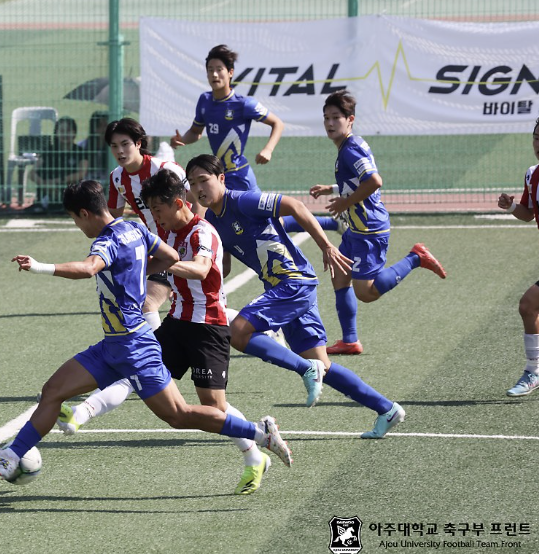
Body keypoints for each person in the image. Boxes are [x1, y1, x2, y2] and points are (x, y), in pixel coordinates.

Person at [0, 179, 293, 484]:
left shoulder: (108, 240)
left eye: (74, 220)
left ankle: (259, 432)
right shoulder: (135, 228)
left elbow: (88, 269)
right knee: (53, 390)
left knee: (179, 415)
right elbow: (169, 256)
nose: (77, 227)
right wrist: (138, 271)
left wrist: (39, 266)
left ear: (85, 213)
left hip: (137, 348)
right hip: (112, 345)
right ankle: (12, 455)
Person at [57, 169, 274, 495]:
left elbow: (201, 270)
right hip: (176, 322)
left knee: (214, 408)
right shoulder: (165, 231)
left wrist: (160, 261)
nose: (155, 217)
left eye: (158, 210)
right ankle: (81, 413)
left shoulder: (203, 233)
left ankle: (254, 452)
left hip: (208, 328)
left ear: (176, 203)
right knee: (131, 374)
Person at [186, 153, 406, 439]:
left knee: (238, 332)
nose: (198, 188)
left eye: (203, 180)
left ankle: (306, 369)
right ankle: (387, 409)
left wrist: (326, 246)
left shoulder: (242, 200)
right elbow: (223, 266)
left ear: (221, 179)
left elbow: (295, 205)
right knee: (323, 365)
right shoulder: (213, 220)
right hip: (284, 289)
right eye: (192, 183)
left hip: (293, 283)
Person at [309, 90, 447, 355]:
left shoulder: (349, 150)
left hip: (369, 229)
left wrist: (344, 202)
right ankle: (350, 340)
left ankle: (415, 258)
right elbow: (358, 181)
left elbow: (374, 181)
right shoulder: (350, 145)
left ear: (350, 119)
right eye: (326, 117)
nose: (329, 123)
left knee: (367, 292)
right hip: (356, 228)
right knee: (340, 275)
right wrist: (332, 189)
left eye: (336, 117)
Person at [169, 43, 340, 234]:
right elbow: (196, 132)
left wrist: (268, 149)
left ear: (230, 72)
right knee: (215, 225)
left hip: (240, 177)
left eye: (219, 70)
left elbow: (278, 123)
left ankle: (332, 224)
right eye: (210, 70)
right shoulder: (205, 101)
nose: (215, 75)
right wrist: (183, 139)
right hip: (218, 178)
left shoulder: (244, 104)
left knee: (272, 224)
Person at [106, 117, 203, 331]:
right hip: (160, 249)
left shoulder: (163, 168)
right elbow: (112, 220)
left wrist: (195, 241)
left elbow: (197, 201)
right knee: (190, 309)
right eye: (114, 146)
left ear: (138, 143)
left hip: (185, 246)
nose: (120, 151)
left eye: (125, 144)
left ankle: (157, 356)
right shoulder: (117, 178)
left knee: (189, 308)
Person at [497, 117, 539, 397]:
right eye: (536, 138)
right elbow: (528, 213)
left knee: (528, 305)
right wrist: (512, 205)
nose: (538, 144)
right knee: (528, 306)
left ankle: (534, 370)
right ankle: (534, 371)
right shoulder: (532, 174)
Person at [29, 116, 88, 211]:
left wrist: (58, 181)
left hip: (68, 189)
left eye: (68, 130)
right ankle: (47, 202)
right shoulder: (49, 151)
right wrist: (45, 184)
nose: (65, 134)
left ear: (74, 132)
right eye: (62, 130)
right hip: (49, 189)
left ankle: (63, 203)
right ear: (56, 133)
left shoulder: (80, 152)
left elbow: (81, 173)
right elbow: (32, 173)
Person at [77, 111, 109, 181]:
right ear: (94, 127)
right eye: (100, 125)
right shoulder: (82, 146)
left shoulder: (113, 148)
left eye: (106, 125)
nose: (103, 129)